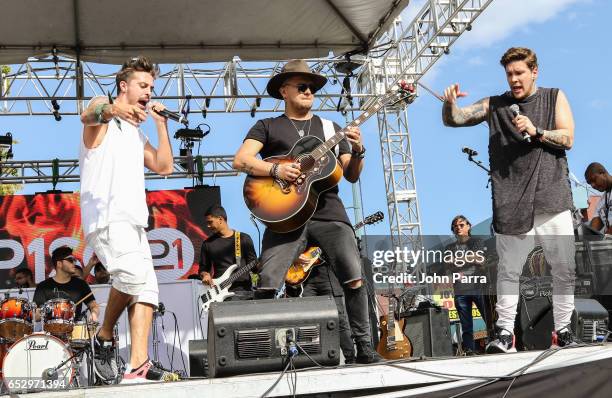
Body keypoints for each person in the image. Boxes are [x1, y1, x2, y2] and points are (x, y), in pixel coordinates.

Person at [233, 59, 381, 363]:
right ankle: (262, 354)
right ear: (284, 90)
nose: (308, 89)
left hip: (329, 212)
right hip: (285, 216)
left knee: (354, 278)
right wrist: (276, 170)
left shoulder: (330, 128)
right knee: (269, 282)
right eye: (301, 84)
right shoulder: (267, 126)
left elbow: (351, 174)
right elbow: (242, 160)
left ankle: (365, 348)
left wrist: (360, 150)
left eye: (311, 86)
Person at [441, 47, 576, 353]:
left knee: (563, 267)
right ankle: (504, 334)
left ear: (534, 71)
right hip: (511, 200)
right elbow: (456, 119)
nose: (514, 79)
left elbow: (568, 137)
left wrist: (537, 129)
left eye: (519, 73)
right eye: (509, 74)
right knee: (508, 270)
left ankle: (564, 331)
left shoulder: (554, 96)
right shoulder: (495, 105)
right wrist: (449, 105)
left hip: (551, 196)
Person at [79, 56, 177, 383]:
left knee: (148, 291)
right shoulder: (103, 108)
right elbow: (88, 115)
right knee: (134, 277)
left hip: (134, 220)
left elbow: (164, 166)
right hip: (107, 217)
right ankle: (105, 337)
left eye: (152, 87)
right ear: (124, 86)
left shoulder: (136, 133)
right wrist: (115, 109)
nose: (149, 92)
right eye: (143, 85)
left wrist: (161, 125)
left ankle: (138, 366)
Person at [286, 251, 356, 363]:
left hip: (328, 276)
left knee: (339, 319)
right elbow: (288, 249)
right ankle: (309, 360)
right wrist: (295, 257)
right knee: (307, 321)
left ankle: (351, 358)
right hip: (306, 279)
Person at [444, 215, 487, 355]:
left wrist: (458, 259)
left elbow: (480, 260)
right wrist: (471, 257)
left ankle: (497, 342)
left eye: (461, 225)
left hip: (477, 286)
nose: (458, 228)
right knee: (466, 325)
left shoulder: (477, 241)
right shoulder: (449, 247)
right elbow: (448, 264)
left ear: (469, 226)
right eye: (455, 226)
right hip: (460, 289)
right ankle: (469, 350)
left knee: (489, 319)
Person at [199, 205, 257, 300]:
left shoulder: (244, 238)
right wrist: (205, 275)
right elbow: (203, 268)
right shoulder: (207, 244)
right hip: (219, 293)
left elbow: (254, 267)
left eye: (210, 222)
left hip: (244, 292)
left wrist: (262, 264)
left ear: (220, 219)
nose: (208, 226)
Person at [33, 246, 99, 323]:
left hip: (75, 331)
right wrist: (48, 310)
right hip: (50, 332)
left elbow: (93, 305)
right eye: (71, 260)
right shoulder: (43, 287)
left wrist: (94, 314)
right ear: (59, 264)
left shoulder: (81, 284)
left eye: (74, 260)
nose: (74, 263)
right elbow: (35, 316)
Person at [584, 162, 612, 235]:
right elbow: (593, 231)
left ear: (602, 173)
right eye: (590, 183)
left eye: (594, 179)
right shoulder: (601, 203)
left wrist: (606, 240)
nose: (592, 185)